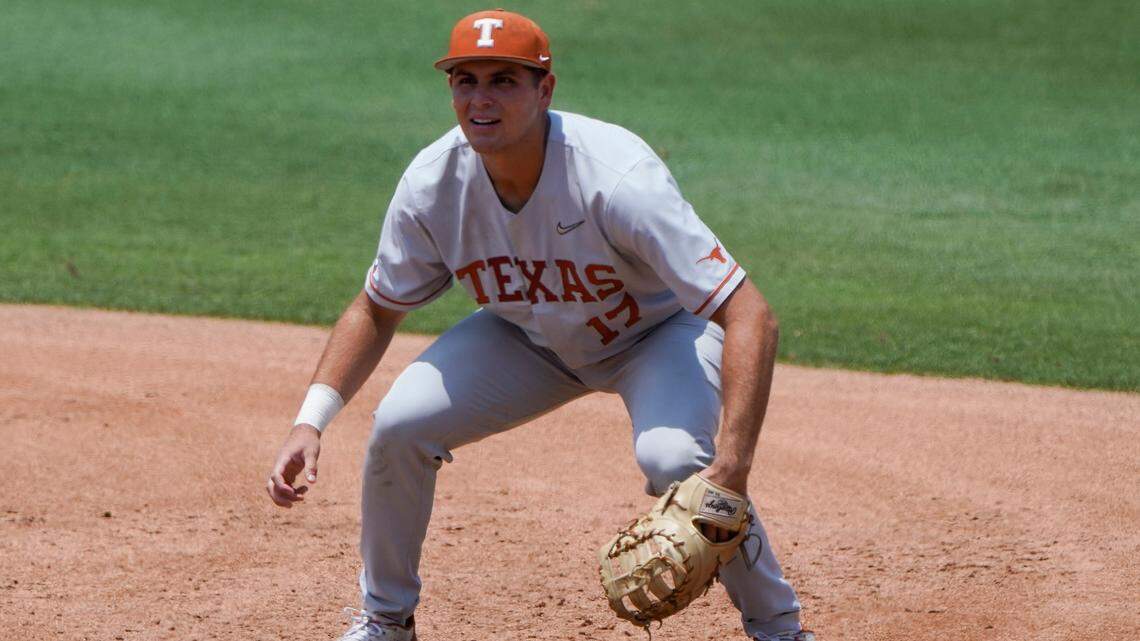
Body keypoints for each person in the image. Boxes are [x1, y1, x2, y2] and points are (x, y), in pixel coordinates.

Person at [267, 9, 813, 641]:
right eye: (465, 80)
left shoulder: (615, 176)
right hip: (528, 339)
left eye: (504, 80)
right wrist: (310, 421)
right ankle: (385, 621)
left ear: (544, 90)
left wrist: (734, 466)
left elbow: (750, 312)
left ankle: (779, 628)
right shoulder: (432, 184)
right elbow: (376, 307)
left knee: (678, 462)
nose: (481, 98)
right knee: (399, 425)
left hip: (656, 336)